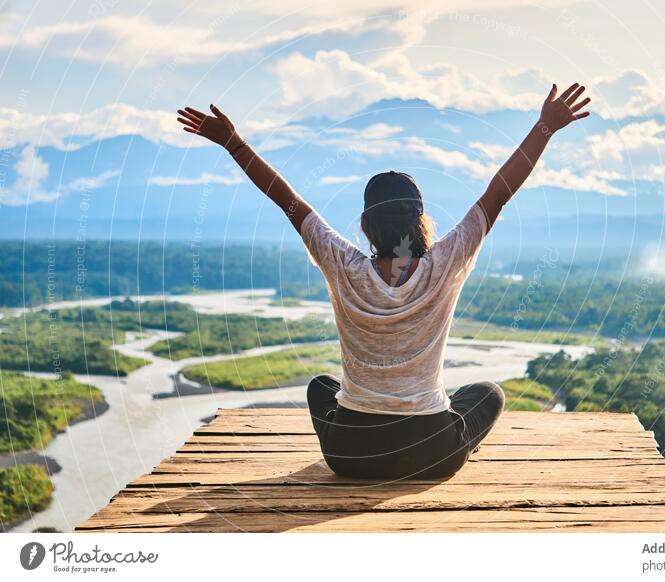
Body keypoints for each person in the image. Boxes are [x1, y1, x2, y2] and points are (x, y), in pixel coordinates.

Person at [177, 82, 591, 480]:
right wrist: (545, 128)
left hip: (351, 455)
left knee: (321, 387)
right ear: (422, 223)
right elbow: (498, 193)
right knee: (488, 393)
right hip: (434, 452)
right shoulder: (444, 263)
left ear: (364, 225)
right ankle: (459, 444)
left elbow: (288, 202)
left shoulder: (342, 263)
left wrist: (234, 143)